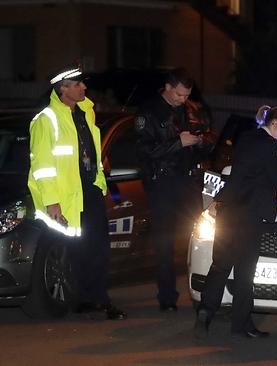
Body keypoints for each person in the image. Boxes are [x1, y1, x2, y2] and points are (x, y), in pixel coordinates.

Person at [195, 106, 277, 339]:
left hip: (229, 212)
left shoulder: (247, 138)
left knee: (220, 266)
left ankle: (205, 312)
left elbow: (252, 174)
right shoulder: (268, 146)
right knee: (245, 272)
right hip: (249, 217)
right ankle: (241, 323)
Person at [28, 66, 126, 320]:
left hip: (89, 191)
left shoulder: (86, 112)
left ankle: (98, 299)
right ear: (63, 88)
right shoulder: (46, 120)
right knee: (78, 249)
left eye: (83, 84)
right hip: (67, 197)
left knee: (98, 249)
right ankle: (85, 299)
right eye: (78, 84)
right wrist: (52, 202)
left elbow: (92, 153)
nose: (84, 88)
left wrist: (100, 183)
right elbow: (42, 166)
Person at [135, 68, 216, 312]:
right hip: (163, 183)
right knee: (165, 242)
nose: (183, 100)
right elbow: (144, 150)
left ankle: (208, 294)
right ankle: (167, 297)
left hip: (189, 181)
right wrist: (177, 143)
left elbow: (212, 139)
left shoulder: (194, 108)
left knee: (203, 238)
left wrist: (201, 141)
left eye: (186, 95)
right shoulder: (149, 112)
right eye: (179, 95)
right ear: (168, 87)